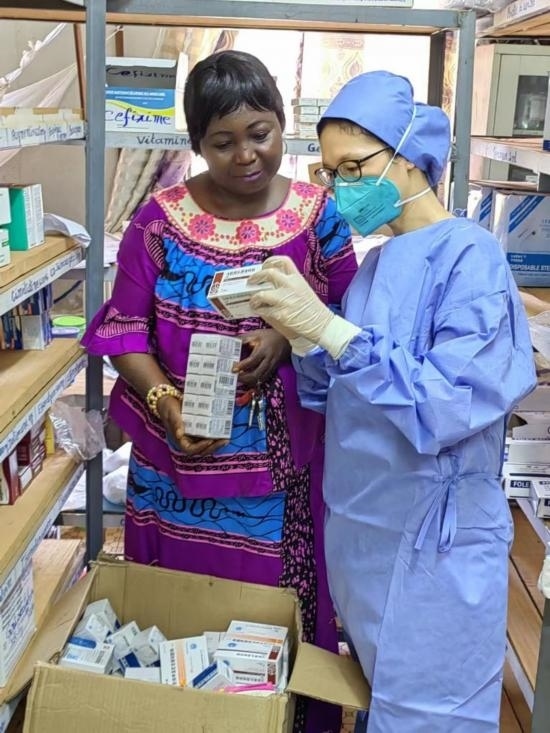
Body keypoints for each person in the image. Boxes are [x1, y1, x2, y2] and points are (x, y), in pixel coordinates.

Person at [248, 70, 537, 733]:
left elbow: (448, 403)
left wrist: (333, 333)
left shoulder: (471, 258)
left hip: (436, 556)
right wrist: (305, 338)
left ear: (409, 157)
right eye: (330, 173)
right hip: (370, 544)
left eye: (354, 168)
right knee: (386, 709)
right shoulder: (377, 266)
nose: (341, 188)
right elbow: (338, 397)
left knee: (432, 718)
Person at [81, 50, 357, 733]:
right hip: (174, 461)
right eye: (222, 141)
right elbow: (125, 330)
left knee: (272, 616)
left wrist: (288, 335)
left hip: (279, 471)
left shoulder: (318, 217)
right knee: (176, 616)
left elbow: (351, 316)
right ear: (196, 144)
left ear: (282, 124)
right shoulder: (160, 219)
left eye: (260, 134)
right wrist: (164, 404)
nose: (245, 155)